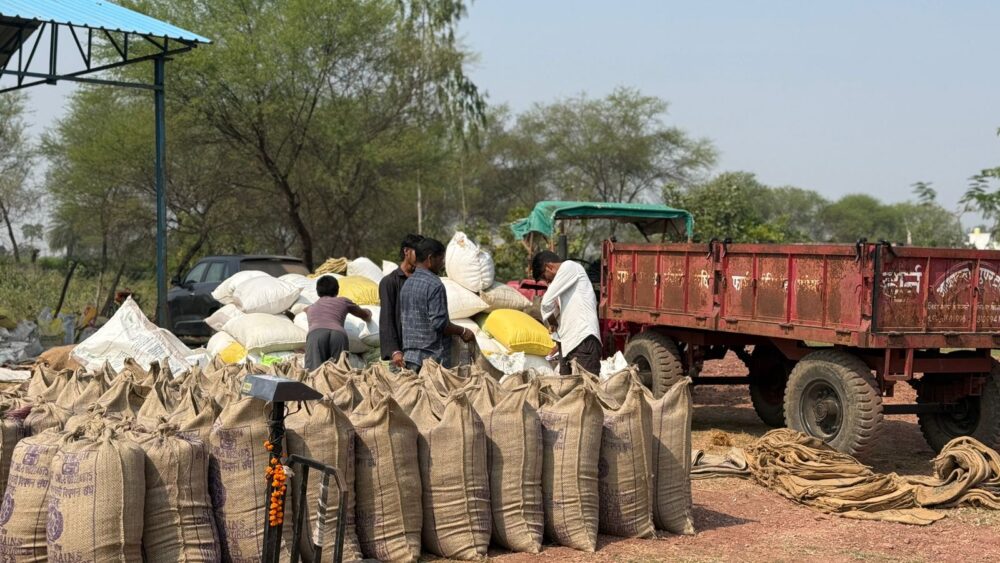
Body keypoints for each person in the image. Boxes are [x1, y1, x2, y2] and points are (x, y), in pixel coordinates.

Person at [400, 237, 474, 371]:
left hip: (410, 356)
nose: (442, 264)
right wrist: (462, 331)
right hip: (432, 359)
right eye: (440, 259)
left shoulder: (407, 284)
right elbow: (440, 324)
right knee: (434, 392)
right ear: (430, 259)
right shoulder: (435, 284)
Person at [533, 250, 602, 375]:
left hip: (583, 340)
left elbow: (546, 303)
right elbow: (557, 309)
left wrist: (552, 323)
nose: (546, 281)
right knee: (568, 390)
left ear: (549, 267)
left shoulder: (570, 267)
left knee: (587, 390)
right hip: (569, 345)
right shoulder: (563, 282)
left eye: (544, 277)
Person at [304, 276, 372, 370]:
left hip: (316, 335)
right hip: (338, 334)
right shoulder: (343, 301)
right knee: (340, 371)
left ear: (317, 291)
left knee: (314, 372)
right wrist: (369, 313)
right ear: (337, 290)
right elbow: (364, 315)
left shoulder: (311, 307)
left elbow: (304, 310)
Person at [379, 234, 424, 368]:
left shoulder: (423, 280)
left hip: (422, 350)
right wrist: (395, 351)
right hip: (401, 355)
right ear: (406, 251)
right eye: (418, 252)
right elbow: (387, 319)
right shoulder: (390, 282)